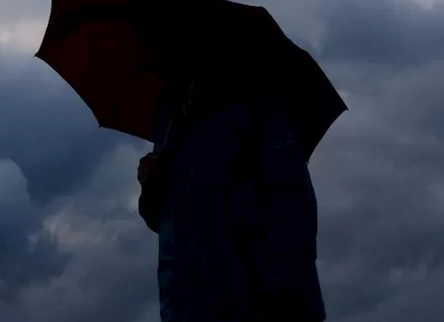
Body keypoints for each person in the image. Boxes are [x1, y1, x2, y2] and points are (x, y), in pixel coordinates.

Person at [137, 72, 326, 322]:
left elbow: (290, 205)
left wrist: (276, 298)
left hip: (253, 303)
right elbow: (167, 221)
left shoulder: (257, 106)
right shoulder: (172, 117)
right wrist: (152, 184)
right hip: (186, 305)